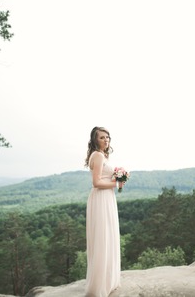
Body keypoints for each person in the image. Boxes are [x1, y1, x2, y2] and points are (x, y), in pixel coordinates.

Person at [84, 126, 122, 297]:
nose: (106, 140)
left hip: (106, 198)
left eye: (107, 137)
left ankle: (107, 280)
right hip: (101, 198)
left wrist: (119, 177)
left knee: (108, 236)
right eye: (101, 138)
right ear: (94, 140)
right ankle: (100, 285)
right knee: (103, 238)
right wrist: (116, 184)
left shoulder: (101, 155)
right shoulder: (98, 156)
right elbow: (96, 182)